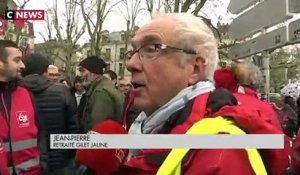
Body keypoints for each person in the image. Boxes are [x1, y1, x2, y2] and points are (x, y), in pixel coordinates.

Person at [118, 13, 289, 175]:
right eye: (133, 51)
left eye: (152, 48)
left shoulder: (222, 153)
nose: (131, 63)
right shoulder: (144, 130)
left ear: (195, 68)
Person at [21, 53, 79, 175]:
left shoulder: (13, 93)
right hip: (60, 160)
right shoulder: (62, 91)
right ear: (45, 71)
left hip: (27, 161)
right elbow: (73, 127)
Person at [0, 40, 47, 175]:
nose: (23, 65)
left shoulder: (26, 94)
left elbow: (41, 134)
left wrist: (43, 164)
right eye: (17, 60)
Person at [78, 56, 125, 133]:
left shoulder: (100, 92)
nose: (80, 75)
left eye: (83, 71)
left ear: (93, 72)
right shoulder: (104, 86)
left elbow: (98, 128)